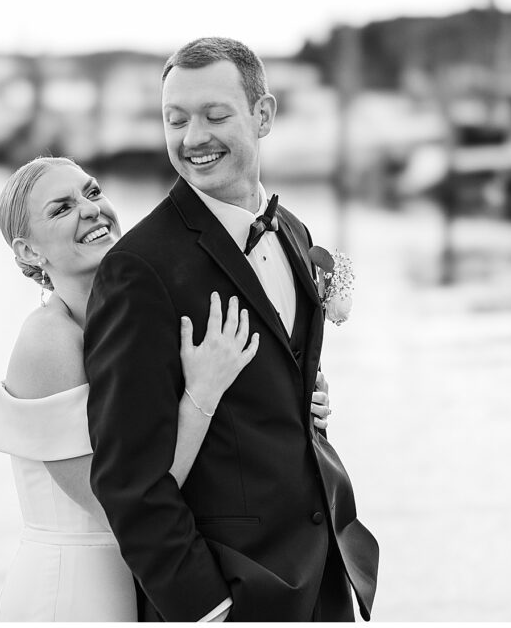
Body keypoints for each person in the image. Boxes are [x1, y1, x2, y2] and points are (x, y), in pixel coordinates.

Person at [85, 37, 379, 622]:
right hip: (233, 591)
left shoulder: (293, 231)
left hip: (324, 576)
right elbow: (127, 480)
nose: (193, 138)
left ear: (262, 115)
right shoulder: (138, 269)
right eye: (176, 120)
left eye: (215, 115)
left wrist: (307, 402)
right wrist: (207, 608)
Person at [0, 156, 334, 621]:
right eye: (61, 208)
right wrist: (202, 394)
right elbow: (121, 502)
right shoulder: (47, 341)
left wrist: (299, 401)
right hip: (79, 588)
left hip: (151, 579)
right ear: (29, 252)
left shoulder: (141, 319)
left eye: (92, 192)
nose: (90, 209)